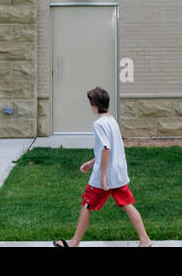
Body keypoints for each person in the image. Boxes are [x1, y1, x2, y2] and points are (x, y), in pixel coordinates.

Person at [53, 86, 151, 247]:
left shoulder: (99, 124)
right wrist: (92, 162)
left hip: (104, 178)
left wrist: (103, 177)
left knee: (86, 204)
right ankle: (145, 240)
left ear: (94, 105)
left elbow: (106, 149)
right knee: (127, 204)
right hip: (118, 174)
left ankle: (74, 242)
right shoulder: (112, 121)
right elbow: (109, 148)